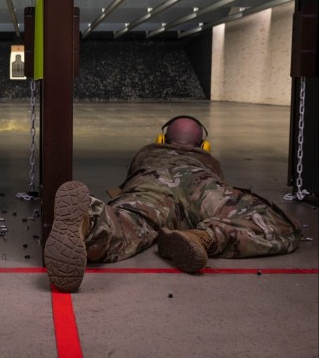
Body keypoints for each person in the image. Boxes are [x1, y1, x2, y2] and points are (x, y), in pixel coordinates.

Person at [44, 115, 302, 292]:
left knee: (130, 222)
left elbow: (130, 178)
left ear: (162, 140)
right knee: (275, 224)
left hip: (151, 183)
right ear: (203, 145)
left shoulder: (147, 153)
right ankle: (203, 237)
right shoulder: (208, 160)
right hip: (201, 187)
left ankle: (90, 220)